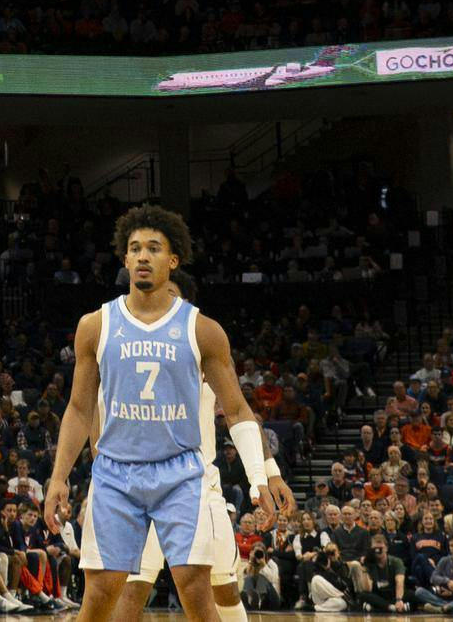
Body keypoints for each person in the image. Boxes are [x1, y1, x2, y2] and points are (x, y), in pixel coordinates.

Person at [45, 205, 271, 622]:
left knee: (197, 590)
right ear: (125, 259)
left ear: (173, 260)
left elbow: (237, 409)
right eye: (135, 249)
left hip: (181, 473)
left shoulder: (203, 329)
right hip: (115, 472)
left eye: (153, 248)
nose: (143, 256)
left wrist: (260, 477)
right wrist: (59, 476)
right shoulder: (95, 325)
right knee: (99, 595)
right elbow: (78, 408)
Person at [109, 272, 295, 622]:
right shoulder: (126, 350)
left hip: (196, 486)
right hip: (135, 484)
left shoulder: (199, 350)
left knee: (222, 588)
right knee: (131, 587)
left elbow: (243, 415)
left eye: (171, 296)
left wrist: (269, 473)